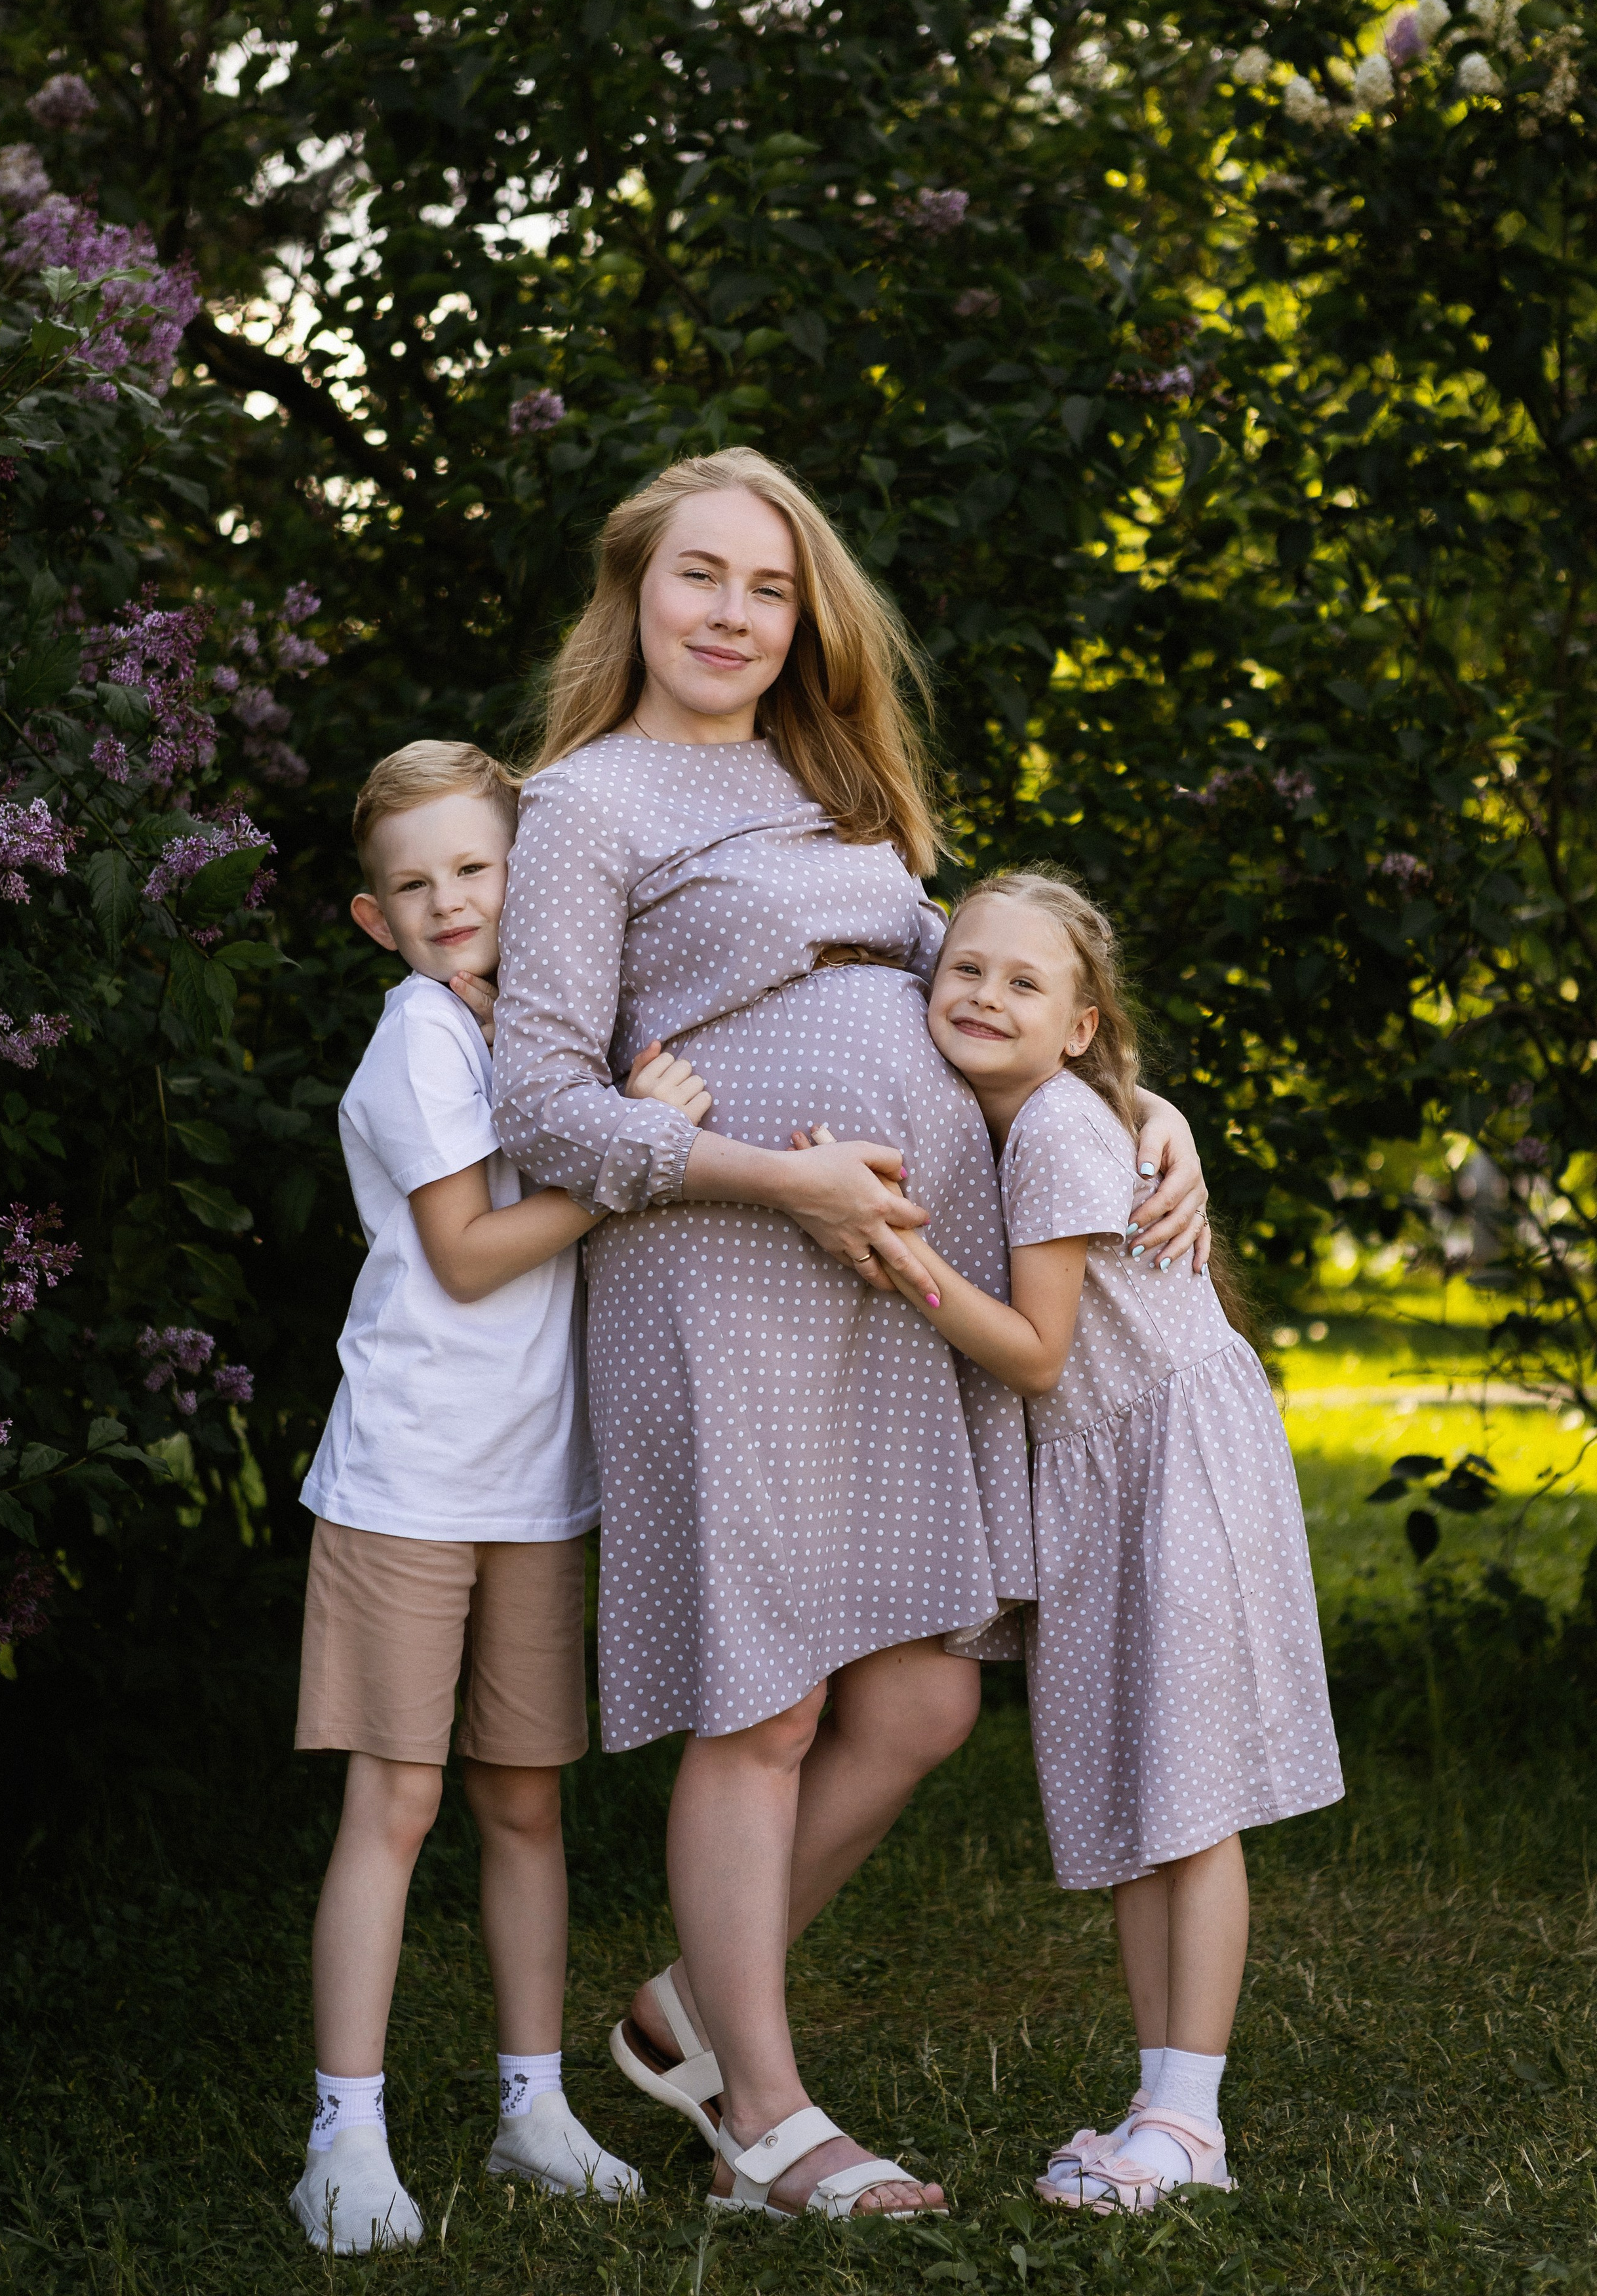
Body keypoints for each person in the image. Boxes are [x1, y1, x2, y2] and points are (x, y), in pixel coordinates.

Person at [492, 448, 1212, 2222]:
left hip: (885, 1278)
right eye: (700, 576)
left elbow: (989, 998)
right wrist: (783, 1181)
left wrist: (1141, 1109)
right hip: (718, 1267)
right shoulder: (582, 806)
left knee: (920, 1692)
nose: (733, 615)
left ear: (806, 617)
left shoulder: (842, 786)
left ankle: (684, 2015)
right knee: (768, 1701)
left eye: (770, 587)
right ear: (632, 592)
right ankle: (764, 2119)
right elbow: (545, 1107)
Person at [823, 863, 1341, 2215]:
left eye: (1025, 982)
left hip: (1168, 1460)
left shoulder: (1054, 1126)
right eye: (966, 969)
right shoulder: (1021, 1119)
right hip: (1109, 1473)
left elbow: (1040, 1354)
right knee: (1130, 1795)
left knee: (1188, 1798)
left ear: (1080, 1024)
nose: (986, 995)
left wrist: (895, 1253)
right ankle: (1160, 2105)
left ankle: (1191, 2121)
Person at [288, 740, 699, 2253]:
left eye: (475, 867)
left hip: (535, 1485)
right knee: (395, 1803)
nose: (449, 900)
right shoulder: (418, 1038)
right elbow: (465, 1253)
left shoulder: (533, 1032)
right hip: (409, 1476)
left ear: (531, 877)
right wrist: (631, 1157)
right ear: (373, 918)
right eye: (414, 885)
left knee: (526, 1801)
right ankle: (343, 2136)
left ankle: (533, 2109)